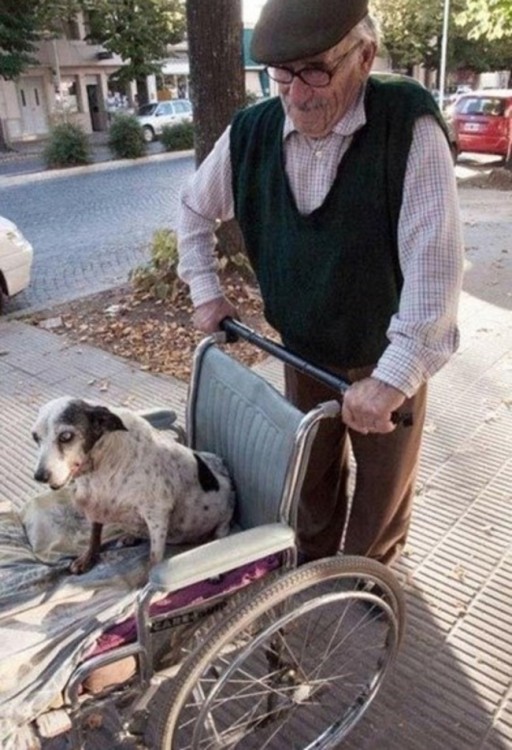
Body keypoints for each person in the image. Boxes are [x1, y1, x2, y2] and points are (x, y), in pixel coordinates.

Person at [177, 0, 464, 567]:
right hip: (303, 348)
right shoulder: (252, 131)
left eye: (315, 70)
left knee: (382, 492)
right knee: (309, 475)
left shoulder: (407, 125)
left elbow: (435, 271)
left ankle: (368, 577)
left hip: (384, 351)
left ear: (364, 55)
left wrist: (391, 381)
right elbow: (192, 208)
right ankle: (311, 564)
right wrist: (206, 290)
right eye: (281, 73)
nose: (296, 93)